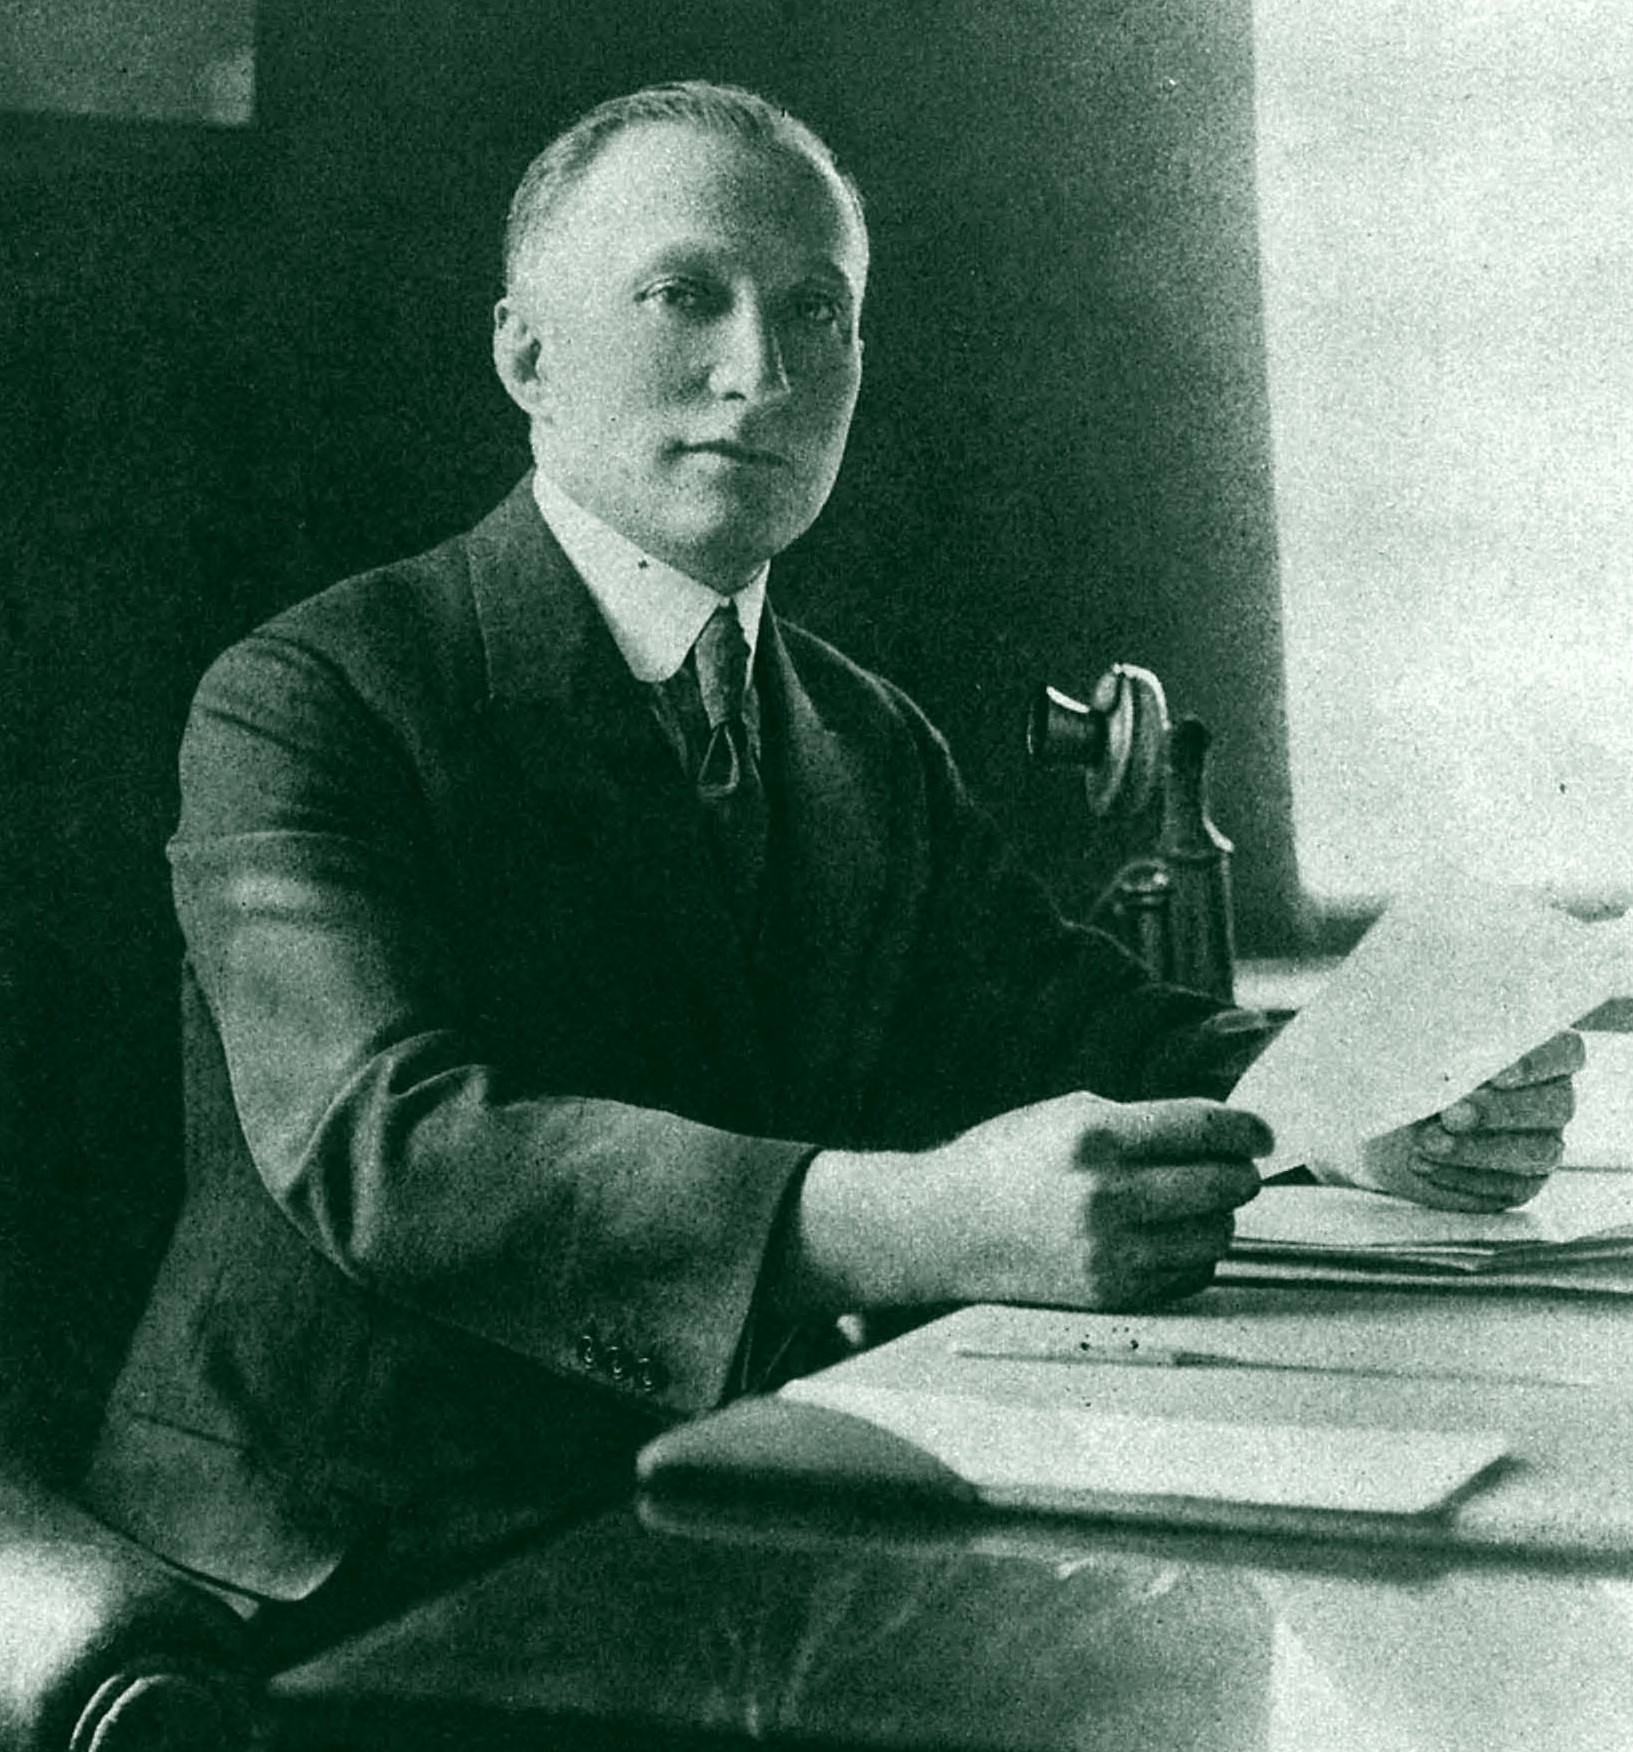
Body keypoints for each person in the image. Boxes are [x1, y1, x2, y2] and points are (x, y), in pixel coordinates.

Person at [85, 81, 1580, 1623]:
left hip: (726, 1513)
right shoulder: (314, 694)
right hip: (344, 1565)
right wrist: (915, 1219)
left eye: (817, 311)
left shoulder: (860, 735)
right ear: (526, 357)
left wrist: (1356, 1104)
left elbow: (1064, 1019)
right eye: (684, 295)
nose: (764, 371)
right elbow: (393, 1153)